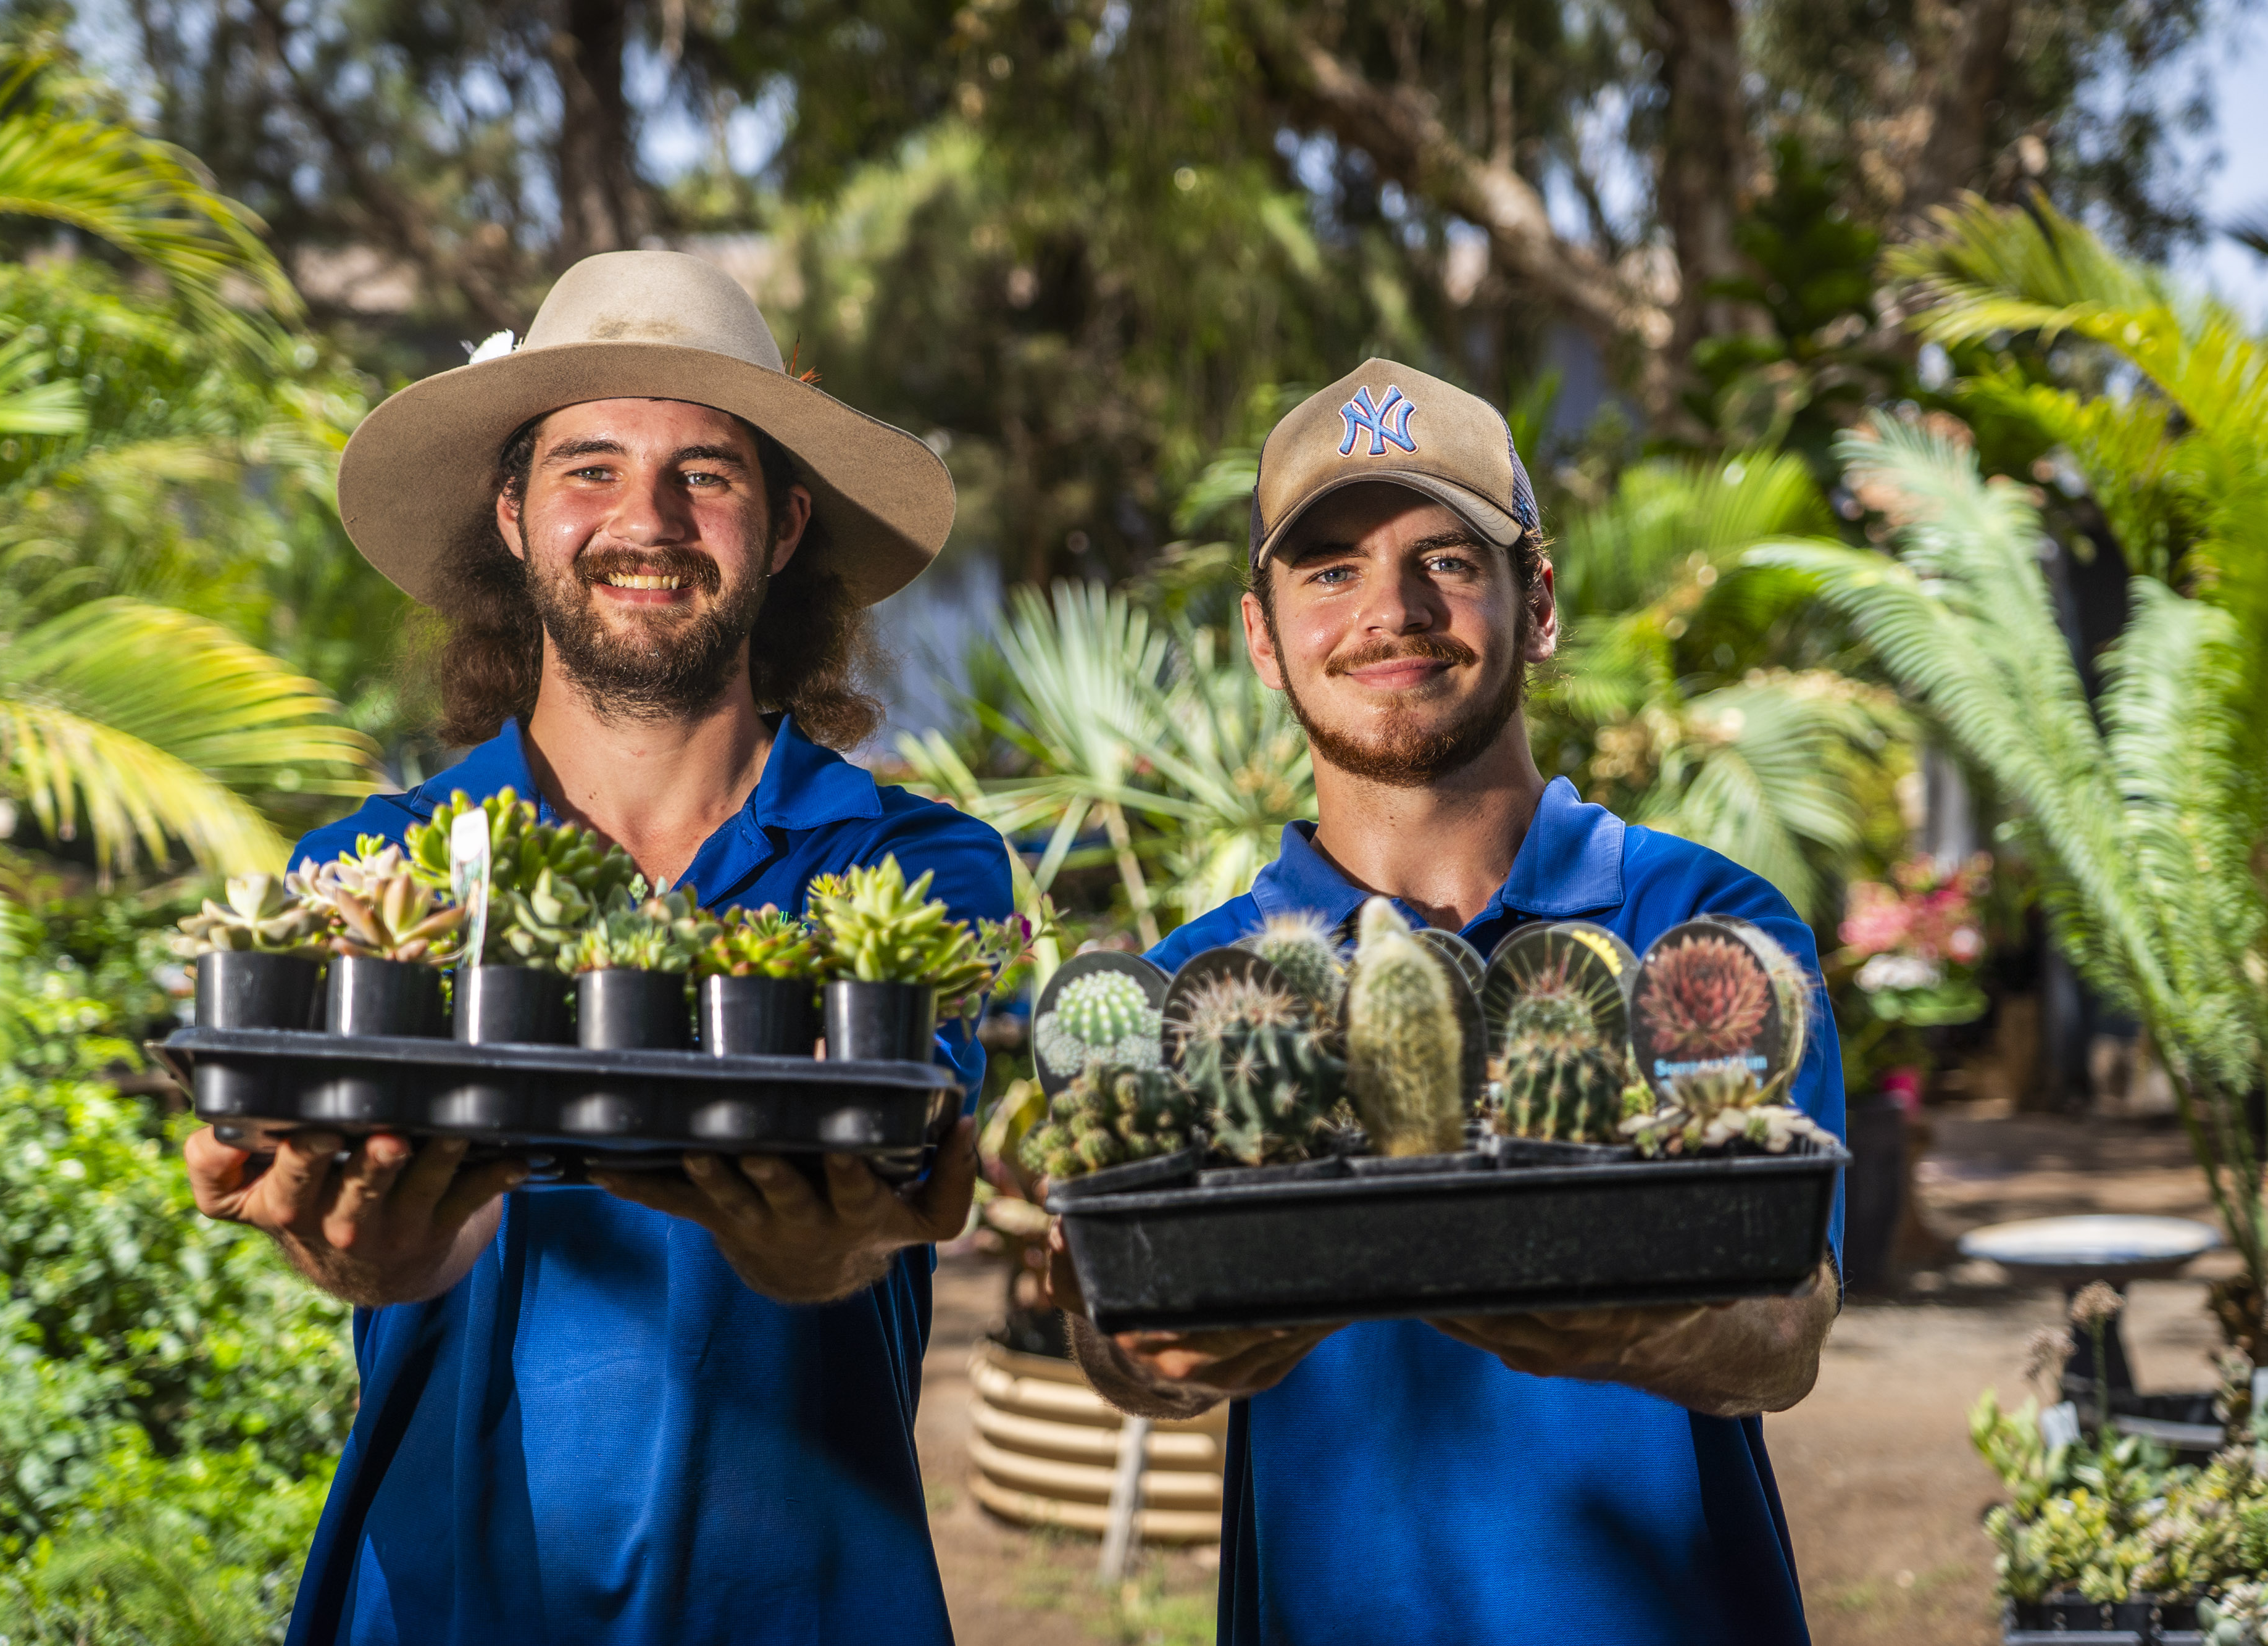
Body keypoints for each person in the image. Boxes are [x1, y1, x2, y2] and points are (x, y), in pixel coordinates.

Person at [181, 251, 1009, 1644]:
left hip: (807, 1606)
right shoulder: (373, 878)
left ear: (785, 522)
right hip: (439, 1607)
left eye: (707, 472)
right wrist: (376, 1250)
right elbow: (399, 1236)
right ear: (508, 514)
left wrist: (844, 1236)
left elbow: (897, 1183)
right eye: (588, 468)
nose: (648, 519)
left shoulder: (911, 870)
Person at [1044, 362, 1845, 1645]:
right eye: (1326, 570)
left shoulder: (1705, 933)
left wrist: (1634, 1322)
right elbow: (1117, 1339)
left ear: (1534, 603)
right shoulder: (1203, 981)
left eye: (1445, 560)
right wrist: (1136, 1343)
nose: (1390, 609)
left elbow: (1786, 1326)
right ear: (1262, 634)